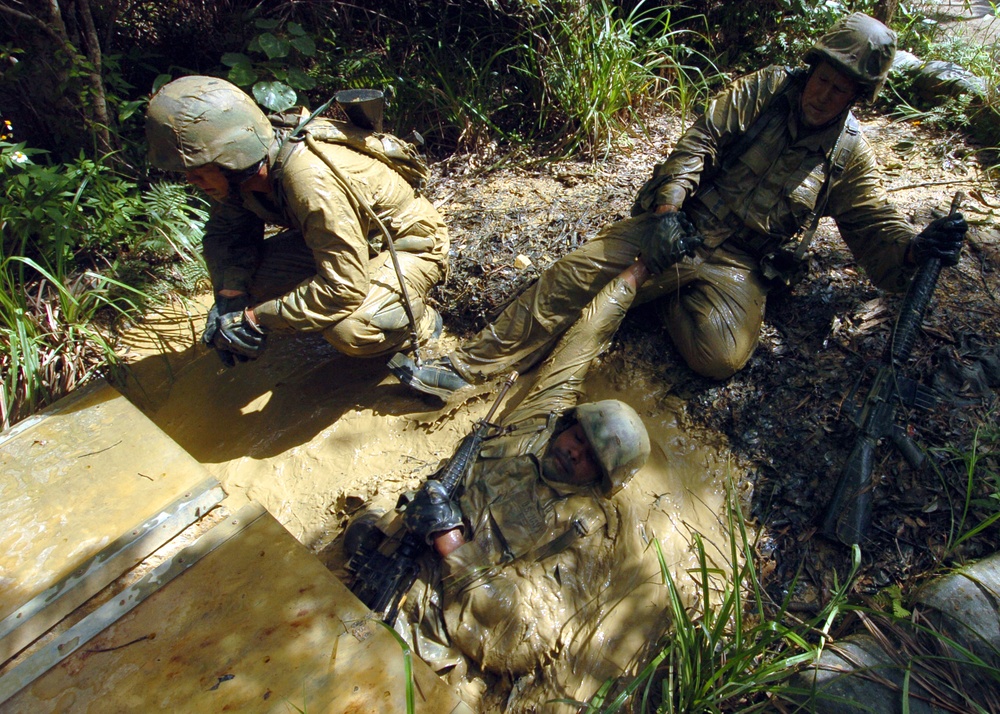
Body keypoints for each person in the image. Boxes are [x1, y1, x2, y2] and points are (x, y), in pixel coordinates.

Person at [388, 12, 967, 398]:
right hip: (681, 227)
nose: (825, 93)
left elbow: (872, 225)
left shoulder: (848, 155)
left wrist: (916, 249)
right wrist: (666, 215)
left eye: (842, 88)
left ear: (856, 97)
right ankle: (468, 367)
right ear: (812, 66)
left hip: (738, 265)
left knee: (720, 357)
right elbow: (698, 145)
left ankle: (657, 290)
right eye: (824, 77)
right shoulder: (765, 90)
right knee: (572, 277)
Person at [349, 260, 662, 708]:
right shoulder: (538, 420)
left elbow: (530, 637)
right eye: (579, 437)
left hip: (430, 621)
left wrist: (454, 548)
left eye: (591, 459)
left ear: (602, 480)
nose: (575, 452)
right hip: (393, 552)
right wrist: (632, 279)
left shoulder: (584, 530)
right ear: (571, 422)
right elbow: (582, 342)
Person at [145, 76, 449, 366]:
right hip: (350, 241)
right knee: (243, 285)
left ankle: (421, 328)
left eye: (199, 170)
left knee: (353, 330)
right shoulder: (238, 176)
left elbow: (343, 291)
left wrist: (255, 318)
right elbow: (228, 235)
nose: (190, 180)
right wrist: (231, 300)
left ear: (231, 157)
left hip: (408, 244)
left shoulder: (308, 177)